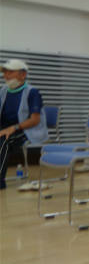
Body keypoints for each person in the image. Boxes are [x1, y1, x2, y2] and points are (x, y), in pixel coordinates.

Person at [0, 59, 47, 189]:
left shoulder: (32, 92)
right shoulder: (4, 91)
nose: (6, 76)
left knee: (2, 141)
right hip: (6, 128)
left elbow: (35, 120)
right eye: (5, 72)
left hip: (27, 130)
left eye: (10, 72)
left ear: (23, 75)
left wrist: (13, 128)